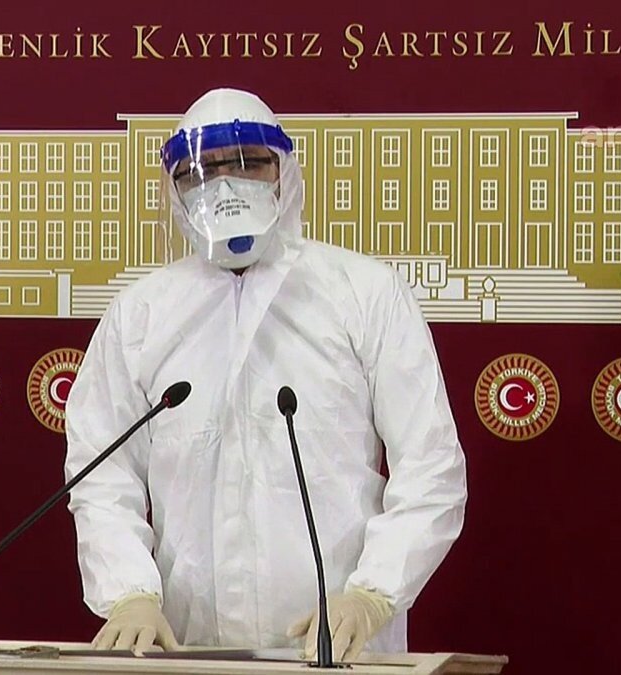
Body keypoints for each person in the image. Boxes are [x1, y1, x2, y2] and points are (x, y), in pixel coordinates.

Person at [64, 87, 467, 662]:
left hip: (339, 650)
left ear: (285, 172)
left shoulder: (363, 293)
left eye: (249, 164)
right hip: (187, 648)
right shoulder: (142, 314)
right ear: (174, 189)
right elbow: (101, 473)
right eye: (202, 172)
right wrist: (128, 592)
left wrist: (373, 593)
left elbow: (431, 467)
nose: (226, 187)